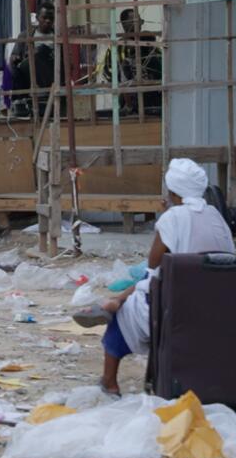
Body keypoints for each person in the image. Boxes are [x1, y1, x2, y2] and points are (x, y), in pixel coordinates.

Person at [87, 159, 235, 394]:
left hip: (179, 307)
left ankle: (109, 382)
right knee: (148, 288)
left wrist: (167, 217)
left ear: (173, 192)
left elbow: (153, 267)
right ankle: (117, 301)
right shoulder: (216, 216)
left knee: (125, 314)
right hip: (220, 307)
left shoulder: (172, 218)